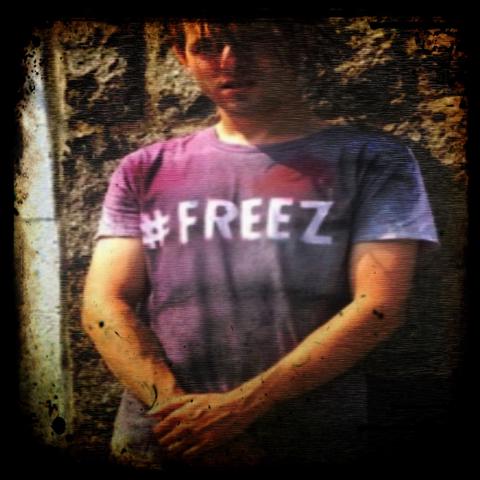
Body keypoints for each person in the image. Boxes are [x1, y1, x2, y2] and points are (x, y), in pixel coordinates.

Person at [82, 20, 440, 470]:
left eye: (253, 40)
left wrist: (243, 407)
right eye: (208, 46)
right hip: (163, 439)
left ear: (296, 42)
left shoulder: (372, 159)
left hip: (306, 439)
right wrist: (177, 412)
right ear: (182, 56)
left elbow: (379, 306)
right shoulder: (144, 168)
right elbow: (103, 305)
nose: (230, 61)